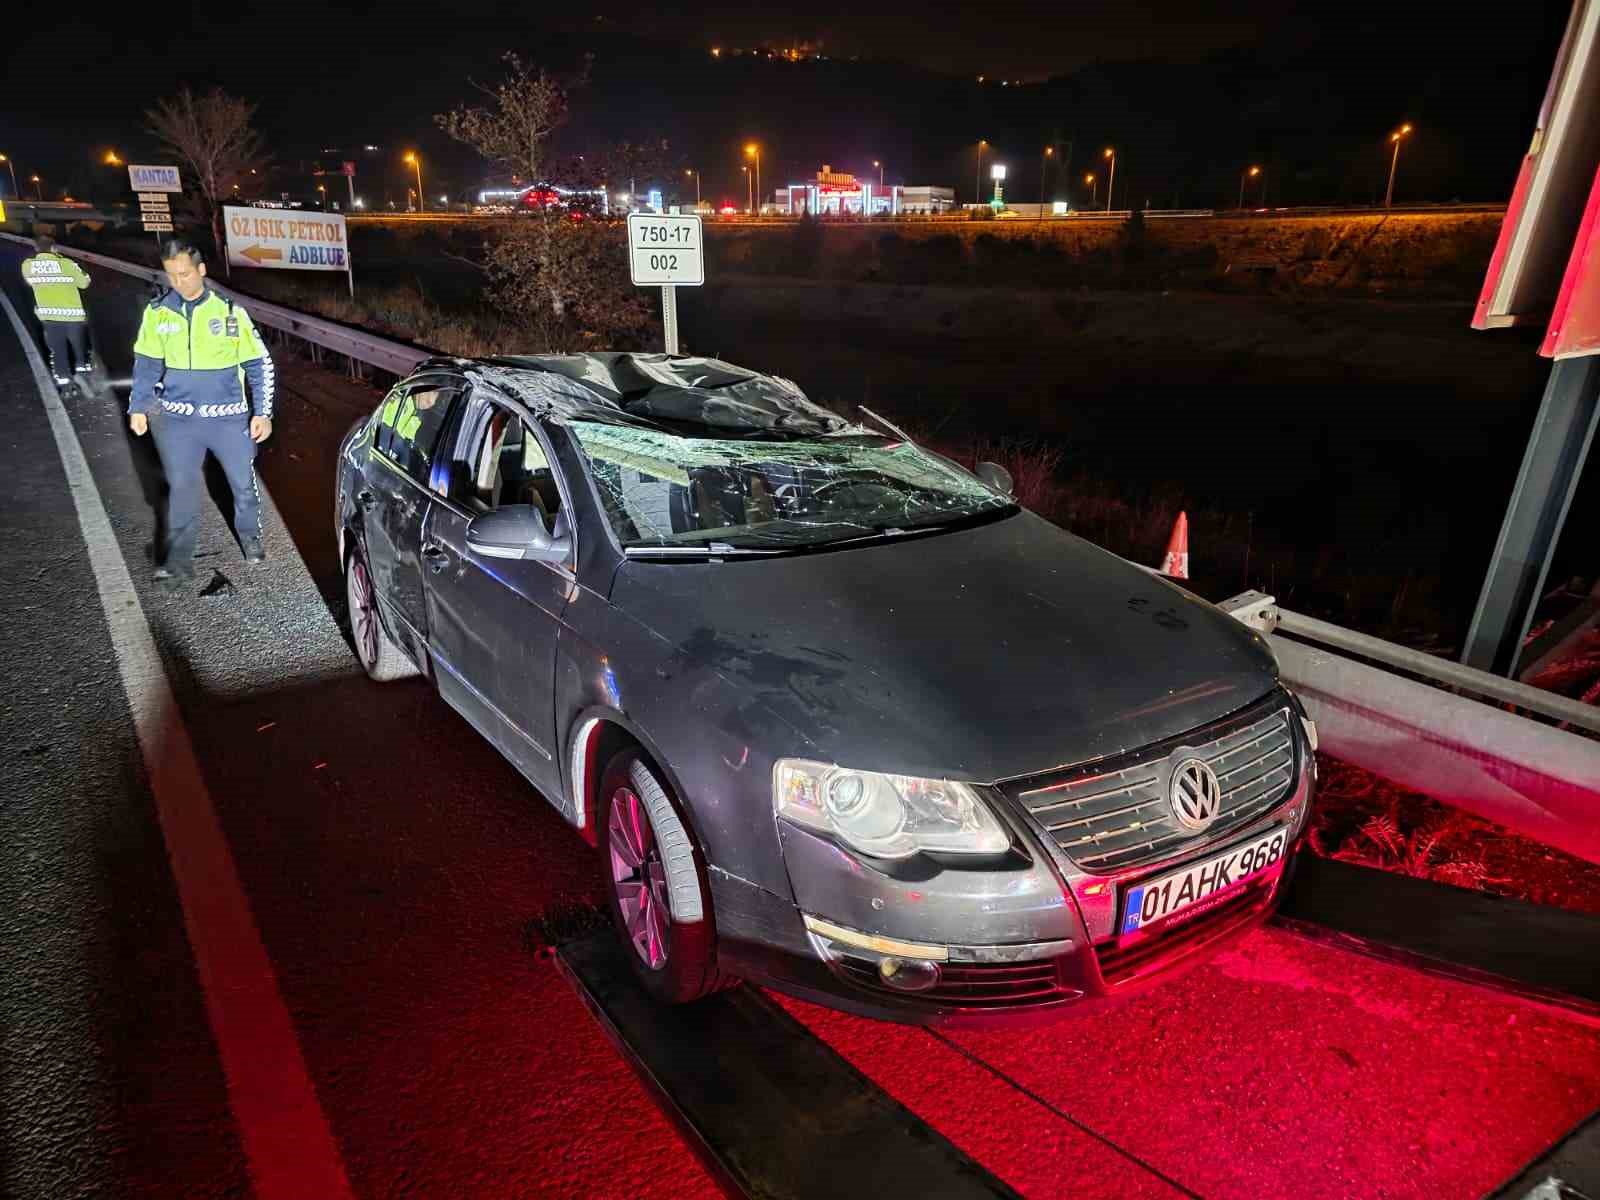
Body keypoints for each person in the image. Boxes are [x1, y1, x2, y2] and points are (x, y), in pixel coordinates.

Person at [128, 237, 276, 583]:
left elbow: (259, 365)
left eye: (185, 274)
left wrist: (263, 413)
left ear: (201, 270)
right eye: (171, 276)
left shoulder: (230, 312)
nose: (179, 282)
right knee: (181, 487)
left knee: (242, 485)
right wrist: (138, 406)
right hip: (178, 420)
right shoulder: (157, 313)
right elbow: (146, 364)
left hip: (229, 420)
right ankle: (179, 559)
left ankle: (250, 536)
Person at [19, 234, 92, 386]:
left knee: (57, 346)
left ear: (36, 248)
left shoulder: (27, 265)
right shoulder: (66, 264)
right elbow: (84, 283)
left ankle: (62, 375)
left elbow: (30, 281)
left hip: (48, 315)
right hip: (72, 314)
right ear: (53, 248)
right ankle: (81, 366)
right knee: (77, 342)